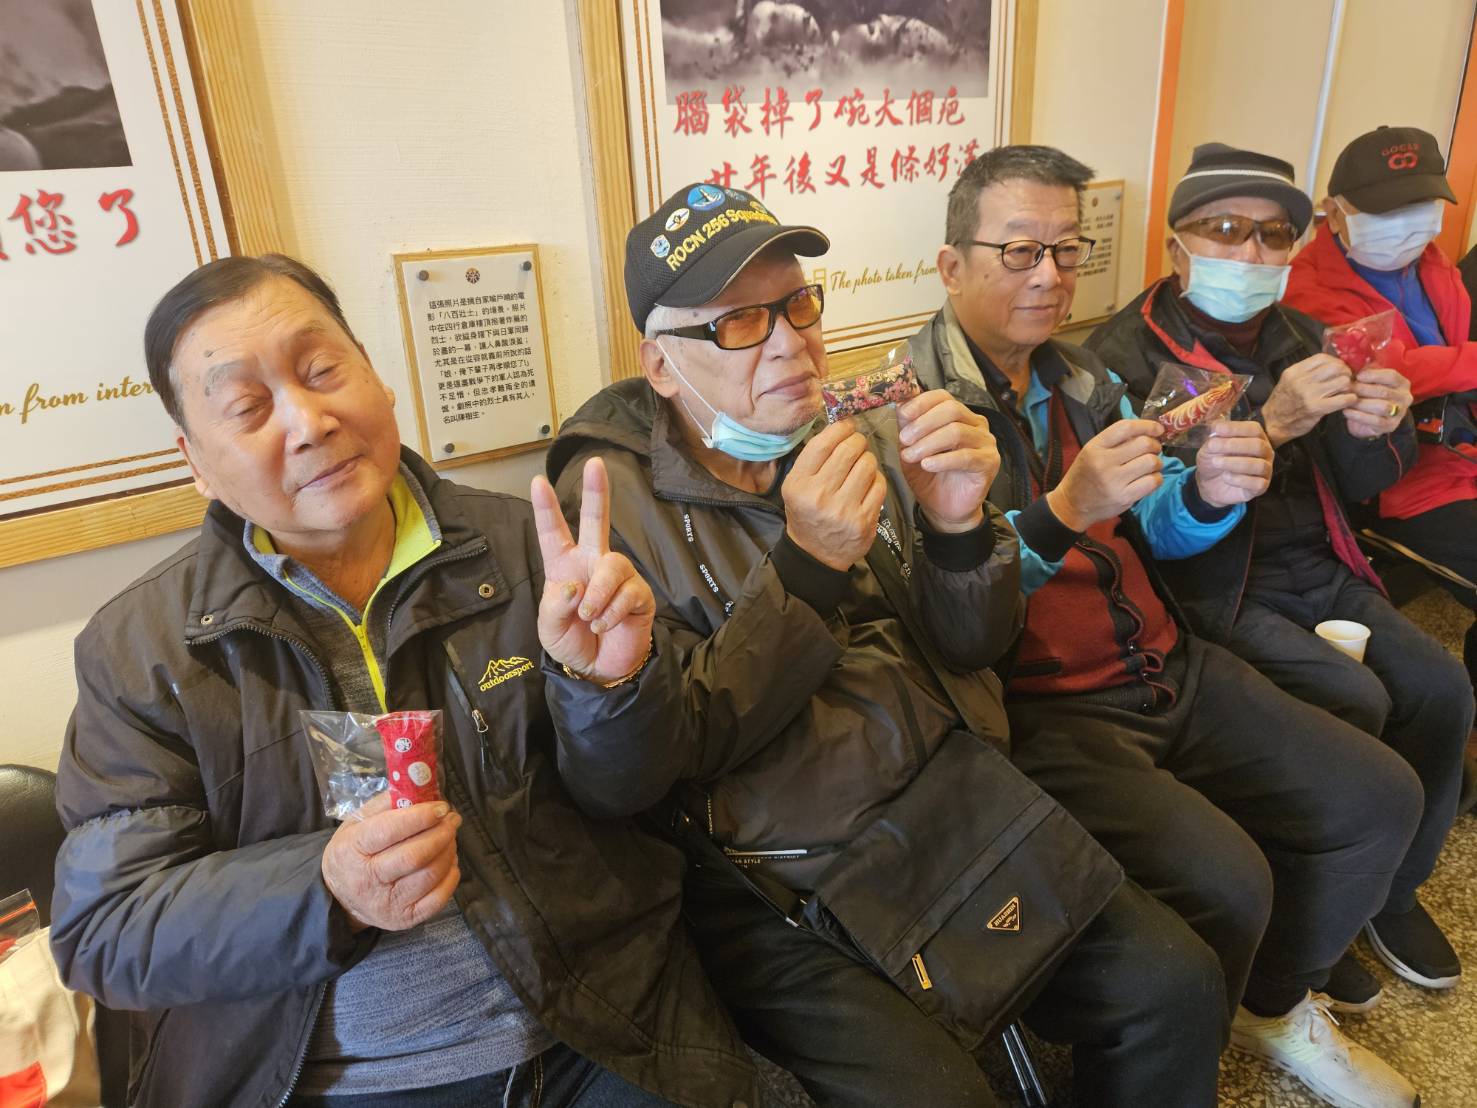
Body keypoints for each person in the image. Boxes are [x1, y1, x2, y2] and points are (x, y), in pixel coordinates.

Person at [543, 182, 1228, 1108]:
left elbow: (971, 646)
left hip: (944, 793)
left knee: (1174, 984)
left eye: (796, 304)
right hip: (778, 871)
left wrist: (957, 529)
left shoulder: (860, 427)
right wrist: (806, 568)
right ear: (660, 365)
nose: (788, 343)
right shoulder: (607, 506)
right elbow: (651, 763)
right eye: (738, 323)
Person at [48, 254, 757, 1108]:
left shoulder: (527, 549)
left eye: (322, 370)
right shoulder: (144, 650)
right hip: (342, 1083)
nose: (308, 422)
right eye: (247, 407)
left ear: (376, 378)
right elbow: (106, 931)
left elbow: (630, 794)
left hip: (597, 1032)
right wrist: (325, 888)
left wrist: (609, 685)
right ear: (195, 461)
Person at [909, 144, 1425, 1108]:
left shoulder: (1081, 377)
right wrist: (1062, 508)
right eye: (1018, 252)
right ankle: (1156, 1042)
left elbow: (1155, 525)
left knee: (1377, 798)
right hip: (1041, 708)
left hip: (1164, 660)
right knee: (1229, 879)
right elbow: (936, 612)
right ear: (951, 264)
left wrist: (1209, 494)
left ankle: (1270, 1003)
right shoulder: (907, 413)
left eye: (1066, 250)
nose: (1048, 276)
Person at [1090, 141, 1471, 1009]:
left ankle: (1384, 895)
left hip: (1321, 566)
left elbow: (1364, 486)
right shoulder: (1120, 355)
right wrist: (1274, 419)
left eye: (1271, 235)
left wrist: (1381, 427)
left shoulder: (1303, 335)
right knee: (1352, 699)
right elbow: (1143, 529)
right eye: (1224, 229)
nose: (1250, 251)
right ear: (1175, 243)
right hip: (1212, 590)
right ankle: (1310, 916)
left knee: (1440, 687)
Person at [1283, 124, 1477, 813]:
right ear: (1334, 212)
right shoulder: (1308, 289)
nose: (1409, 224)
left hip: (1457, 449)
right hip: (1398, 480)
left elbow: (1442, 362)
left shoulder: (1433, 264)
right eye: (1386, 209)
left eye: (1421, 204)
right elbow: (1388, 371)